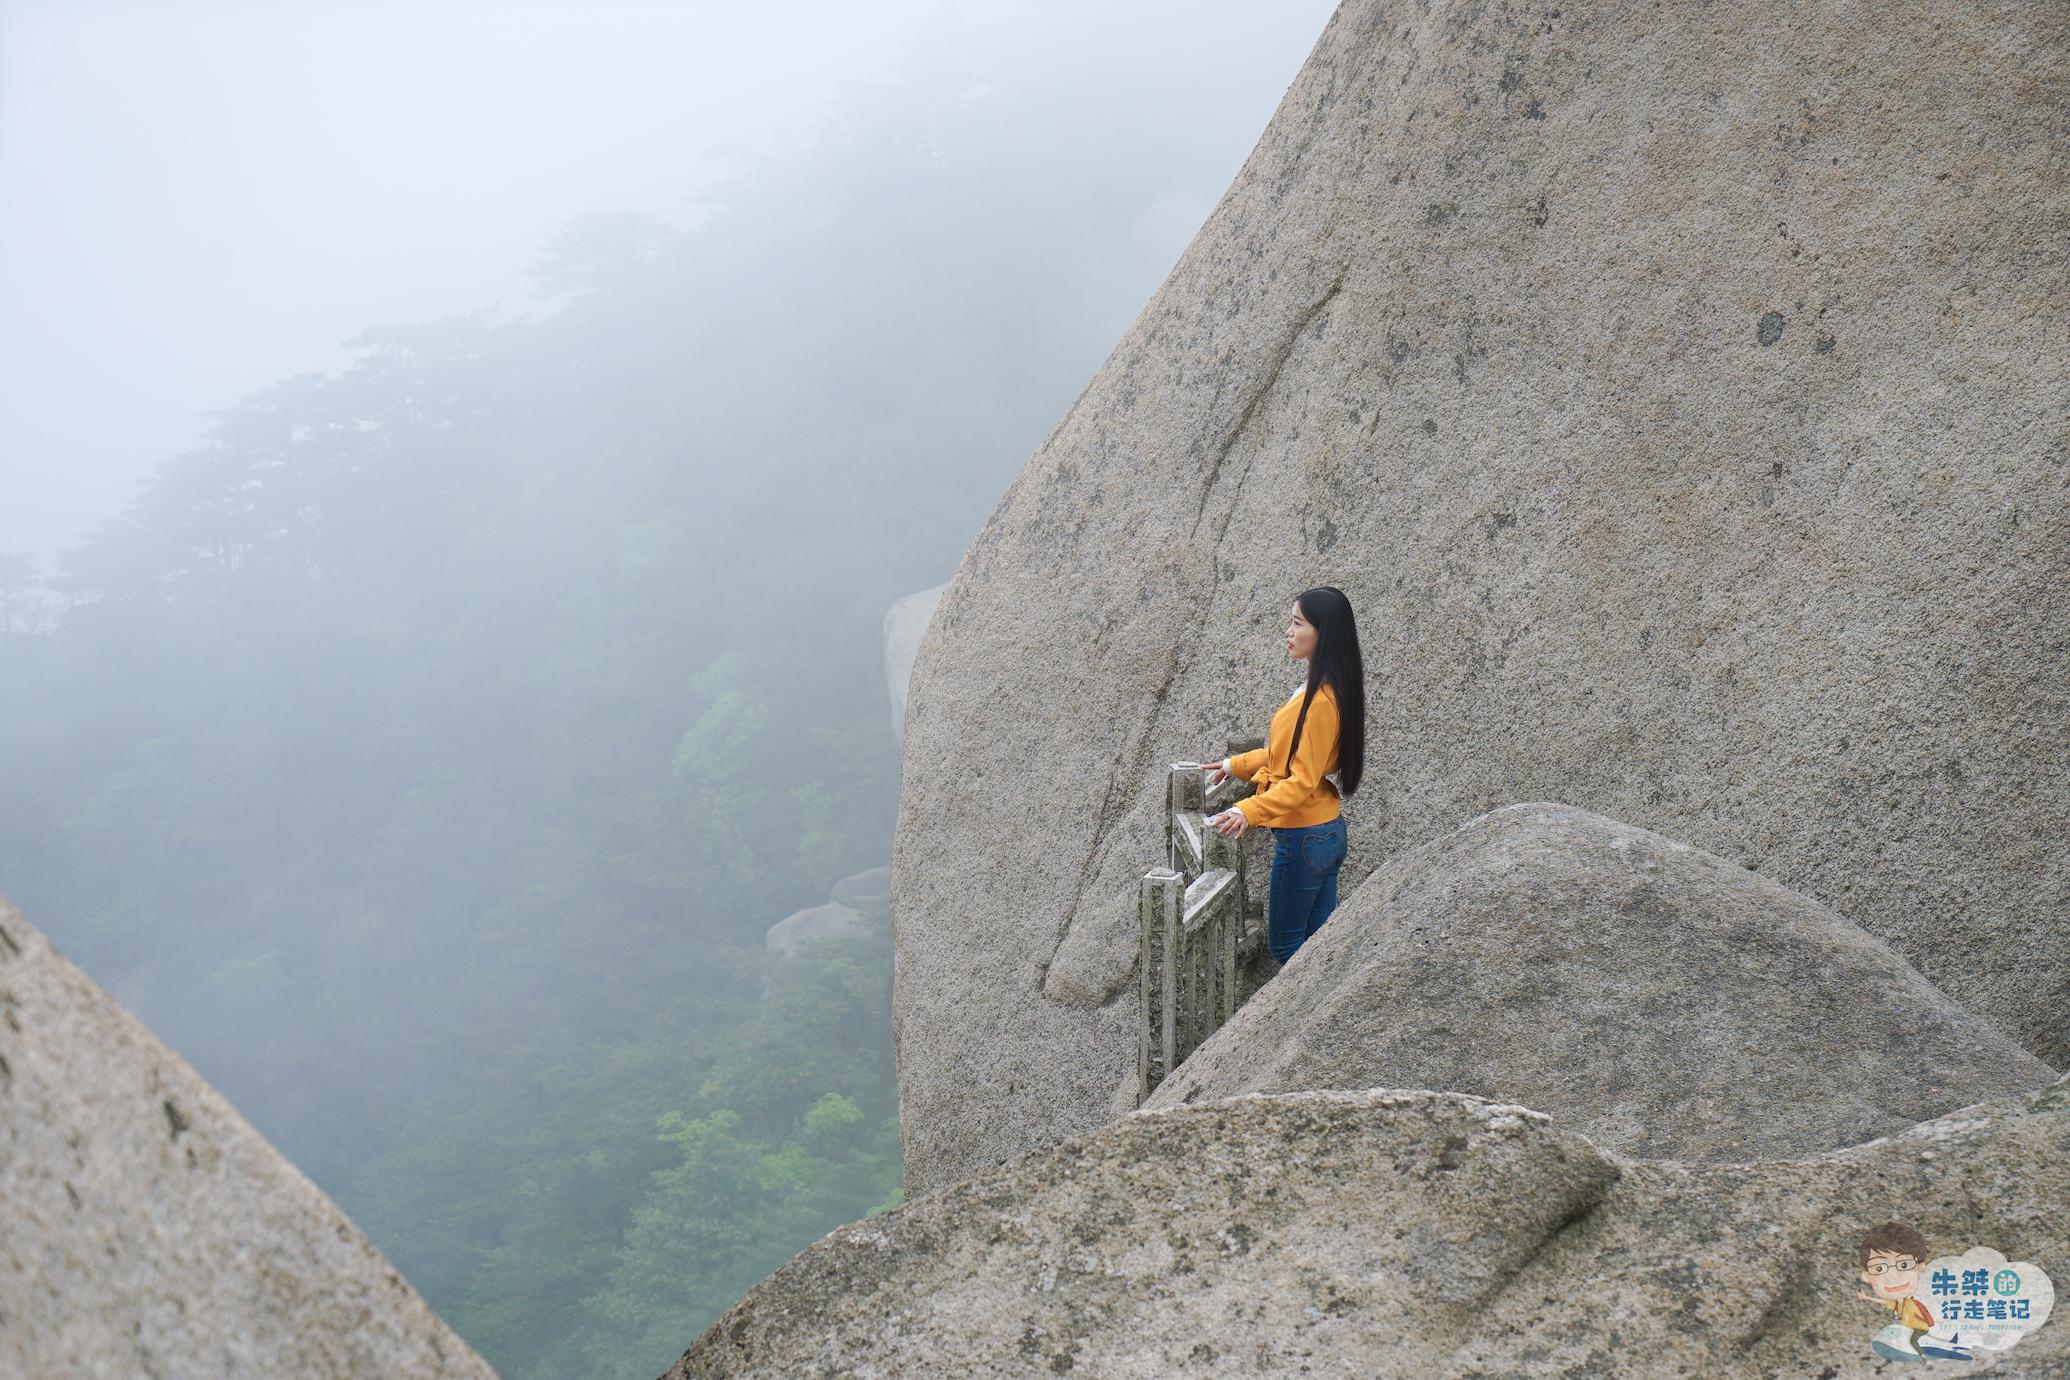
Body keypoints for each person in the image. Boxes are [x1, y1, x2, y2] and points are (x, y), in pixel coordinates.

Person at [1198, 587, 1367, 965]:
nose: (1288, 633)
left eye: (1297, 624)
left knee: (1287, 947)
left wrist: (1247, 811)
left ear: (1323, 633)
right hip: (1323, 831)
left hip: (1305, 838)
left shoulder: (1322, 699)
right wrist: (1232, 766)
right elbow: (1284, 756)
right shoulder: (1322, 688)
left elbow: (1301, 780)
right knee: (1317, 947)